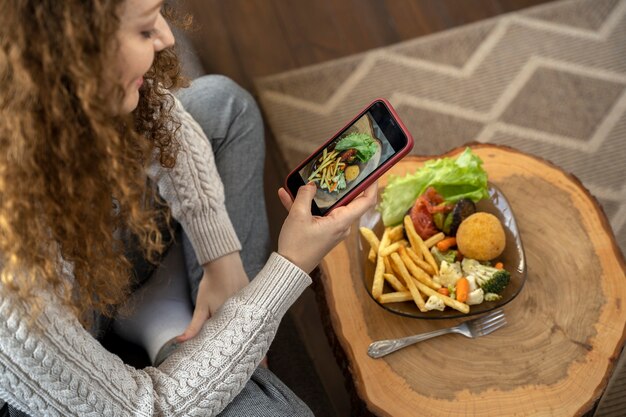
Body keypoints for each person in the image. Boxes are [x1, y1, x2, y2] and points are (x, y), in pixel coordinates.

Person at [0, 0, 377, 416]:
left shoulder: (34, 108)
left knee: (225, 105)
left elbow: (163, 116)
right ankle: (175, 330)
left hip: (86, 276)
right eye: (145, 30)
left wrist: (221, 258)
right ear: (71, 55)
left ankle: (173, 312)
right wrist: (285, 271)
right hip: (71, 375)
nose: (166, 38)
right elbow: (149, 409)